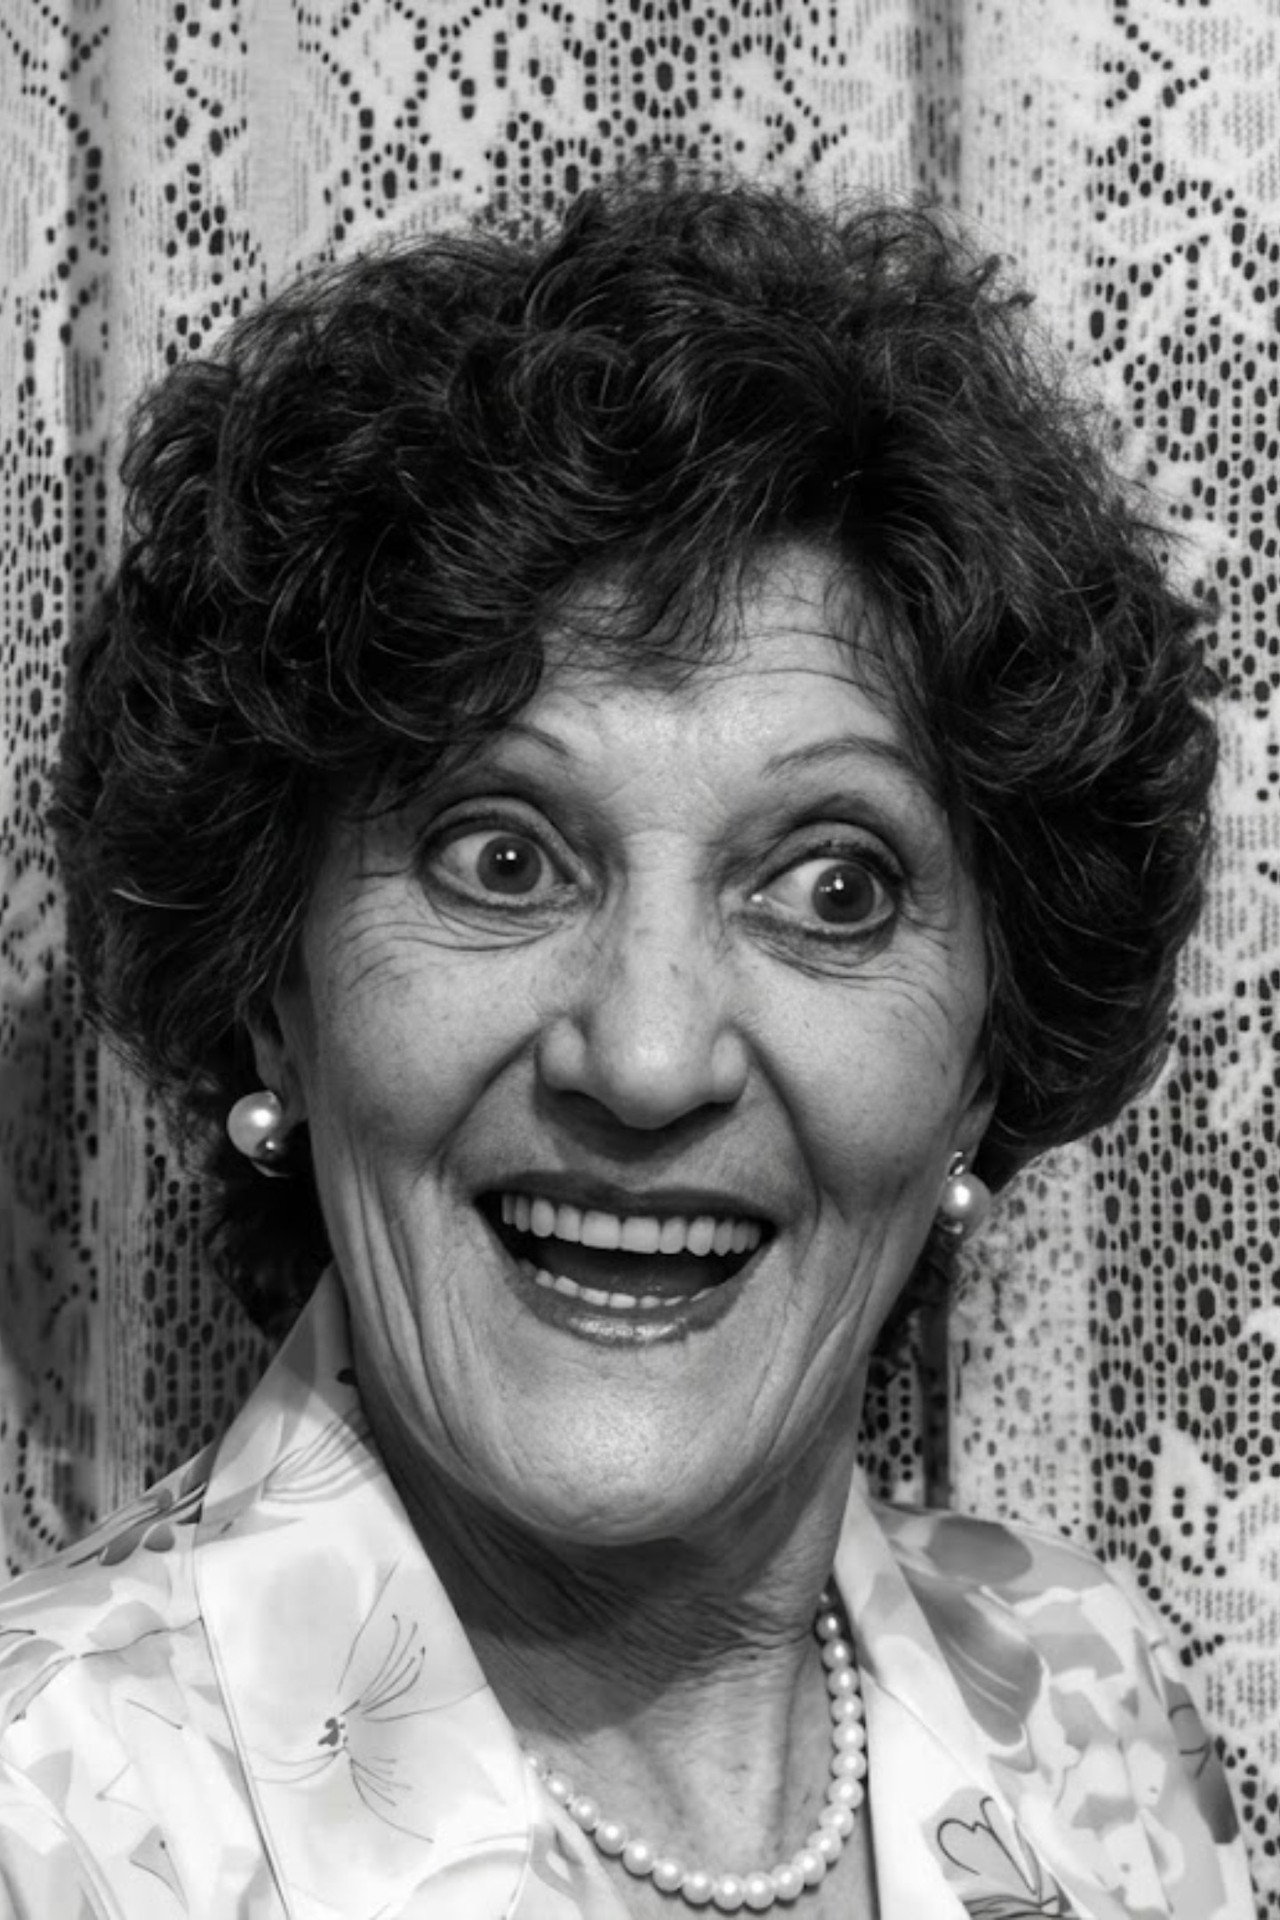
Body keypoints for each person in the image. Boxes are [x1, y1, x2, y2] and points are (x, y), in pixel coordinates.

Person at [0, 177, 1256, 1919]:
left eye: (833, 889)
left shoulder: (1089, 1701)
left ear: (989, 1053)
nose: (650, 1059)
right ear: (278, 986)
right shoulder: (46, 1815)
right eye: (501, 859)